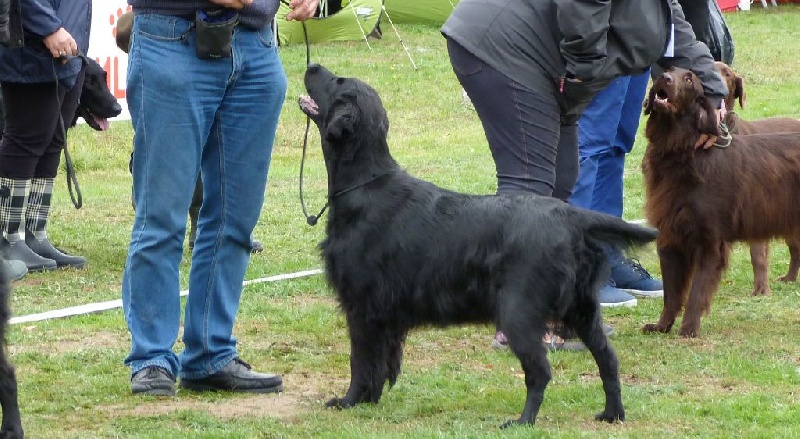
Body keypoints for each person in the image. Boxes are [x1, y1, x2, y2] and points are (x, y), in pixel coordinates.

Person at [441, 0, 728, 349]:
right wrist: (585, 65)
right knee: (530, 182)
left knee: (564, 176)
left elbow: (675, 34)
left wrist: (712, 90)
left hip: (545, 59)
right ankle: (518, 322)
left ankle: (557, 311)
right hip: (506, 46)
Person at [122, 0, 319, 396]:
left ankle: (211, 353)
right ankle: (152, 359)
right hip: (171, 38)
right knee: (162, 216)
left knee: (236, 218)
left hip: (256, 48)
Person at [0, 0, 91, 274]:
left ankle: (34, 233)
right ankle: (8, 237)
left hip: (70, 47)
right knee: (25, 141)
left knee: (52, 140)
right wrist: (49, 27)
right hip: (31, 44)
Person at [569, 71, 665, 301]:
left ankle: (609, 255)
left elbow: (675, 35)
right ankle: (582, 269)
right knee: (588, 145)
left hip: (636, 51)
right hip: (602, 49)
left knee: (617, 142)